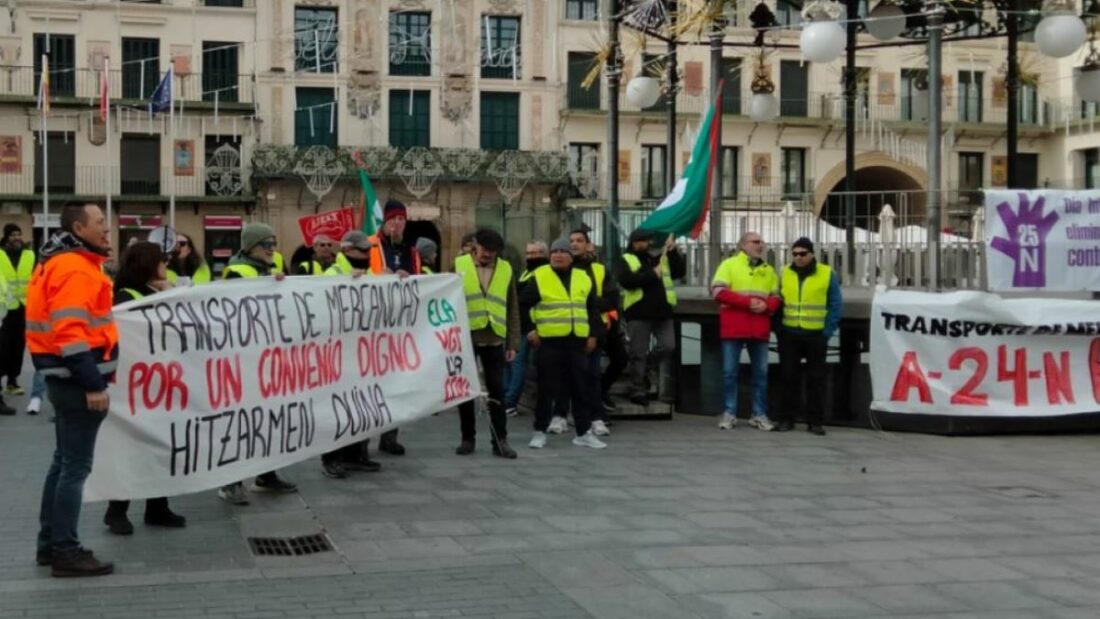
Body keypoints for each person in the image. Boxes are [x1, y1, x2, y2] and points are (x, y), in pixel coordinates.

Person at [27, 203, 116, 577]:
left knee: (63, 463)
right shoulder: (74, 268)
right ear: (78, 227)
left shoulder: (58, 263)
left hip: (63, 380)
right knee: (74, 468)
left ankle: (51, 544)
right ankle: (65, 550)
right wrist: (93, 384)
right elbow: (70, 333)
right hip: (78, 382)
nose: (107, 230)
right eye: (99, 224)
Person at [102, 242, 187, 535]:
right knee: (132, 449)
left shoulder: (155, 291)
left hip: (160, 383)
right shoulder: (125, 297)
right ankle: (116, 510)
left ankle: (157, 507)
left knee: (159, 448)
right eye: (161, 261)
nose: (166, 265)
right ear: (147, 265)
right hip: (134, 387)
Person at [218, 222, 298, 503]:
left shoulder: (270, 268)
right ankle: (230, 482)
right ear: (251, 246)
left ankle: (266, 473)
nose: (273, 250)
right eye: (267, 244)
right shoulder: (237, 271)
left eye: (274, 244)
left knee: (270, 420)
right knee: (242, 423)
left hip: (269, 357)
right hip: (245, 360)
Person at [520, 238, 606, 450]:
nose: (558, 255)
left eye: (562, 251)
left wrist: (593, 335)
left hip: (576, 342)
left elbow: (592, 309)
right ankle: (539, 431)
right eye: (554, 251)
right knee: (546, 389)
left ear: (571, 256)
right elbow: (521, 305)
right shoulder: (540, 276)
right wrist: (531, 331)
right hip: (549, 342)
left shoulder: (583, 277)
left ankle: (583, 432)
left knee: (580, 388)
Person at [318, 231, 383, 479]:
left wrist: (398, 281)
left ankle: (357, 453)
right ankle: (331, 458)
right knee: (338, 407)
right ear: (346, 251)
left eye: (369, 250)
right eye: (363, 250)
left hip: (364, 354)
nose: (368, 255)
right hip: (338, 355)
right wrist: (347, 283)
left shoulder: (369, 275)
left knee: (363, 404)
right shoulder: (333, 274)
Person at [454, 229, 519, 459]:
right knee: (465, 391)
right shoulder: (458, 265)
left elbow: (512, 307)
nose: (488, 254)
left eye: (493, 251)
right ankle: (467, 438)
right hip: (466, 337)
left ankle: (500, 440)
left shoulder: (506, 269)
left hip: (494, 337)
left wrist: (513, 342)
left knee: (497, 391)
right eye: (484, 249)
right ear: (475, 246)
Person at [365, 200, 421, 456]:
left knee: (397, 384)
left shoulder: (412, 251)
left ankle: (390, 436)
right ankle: (362, 440)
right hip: (372, 324)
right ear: (384, 221)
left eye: (402, 220)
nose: (397, 224)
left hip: (400, 326)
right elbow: (353, 274)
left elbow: (420, 284)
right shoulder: (370, 243)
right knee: (370, 384)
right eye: (393, 219)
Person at [711, 231, 781, 431]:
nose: (760, 245)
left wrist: (767, 306)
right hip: (734, 326)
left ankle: (758, 414)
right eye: (755, 242)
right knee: (729, 373)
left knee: (761, 374)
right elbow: (718, 292)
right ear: (742, 245)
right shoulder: (729, 265)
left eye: (761, 242)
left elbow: (776, 297)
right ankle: (729, 413)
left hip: (758, 327)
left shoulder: (768, 270)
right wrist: (749, 303)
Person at [776, 237, 842, 436]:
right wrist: (778, 328)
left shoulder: (826, 273)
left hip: (815, 335)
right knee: (788, 377)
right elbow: (777, 299)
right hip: (789, 333)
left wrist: (827, 332)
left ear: (812, 254)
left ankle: (815, 422)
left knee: (816, 379)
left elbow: (835, 304)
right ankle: (787, 419)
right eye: (795, 254)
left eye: (803, 253)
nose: (798, 257)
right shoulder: (784, 272)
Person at [615, 228, 685, 406]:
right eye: (646, 241)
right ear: (635, 242)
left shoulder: (657, 258)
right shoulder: (626, 259)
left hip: (663, 311)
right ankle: (637, 390)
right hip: (638, 312)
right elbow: (627, 281)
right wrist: (652, 274)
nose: (650, 244)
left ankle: (646, 369)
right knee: (638, 353)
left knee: (668, 346)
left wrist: (673, 252)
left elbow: (678, 272)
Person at [568, 228, 619, 436]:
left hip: (595, 327)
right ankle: (567, 414)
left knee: (593, 374)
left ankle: (596, 416)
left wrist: (589, 304)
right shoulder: (562, 267)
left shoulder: (599, 269)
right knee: (571, 374)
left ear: (588, 245)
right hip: (568, 328)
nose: (574, 244)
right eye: (571, 240)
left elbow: (612, 300)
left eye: (579, 240)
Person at [503, 241, 548, 417]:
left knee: (517, 363)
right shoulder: (526, 272)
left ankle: (510, 401)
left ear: (544, 254)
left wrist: (531, 328)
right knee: (510, 362)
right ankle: (507, 398)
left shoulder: (541, 273)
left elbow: (523, 300)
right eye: (528, 253)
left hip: (533, 325)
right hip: (519, 324)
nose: (531, 257)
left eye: (535, 253)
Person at [0, 223, 35, 395]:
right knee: (3, 346)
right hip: (3, 310)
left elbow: (35, 279)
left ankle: (12, 381)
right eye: (13, 235)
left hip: (23, 307)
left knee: (18, 346)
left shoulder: (29, 255)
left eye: (19, 234)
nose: (17, 238)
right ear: (6, 237)